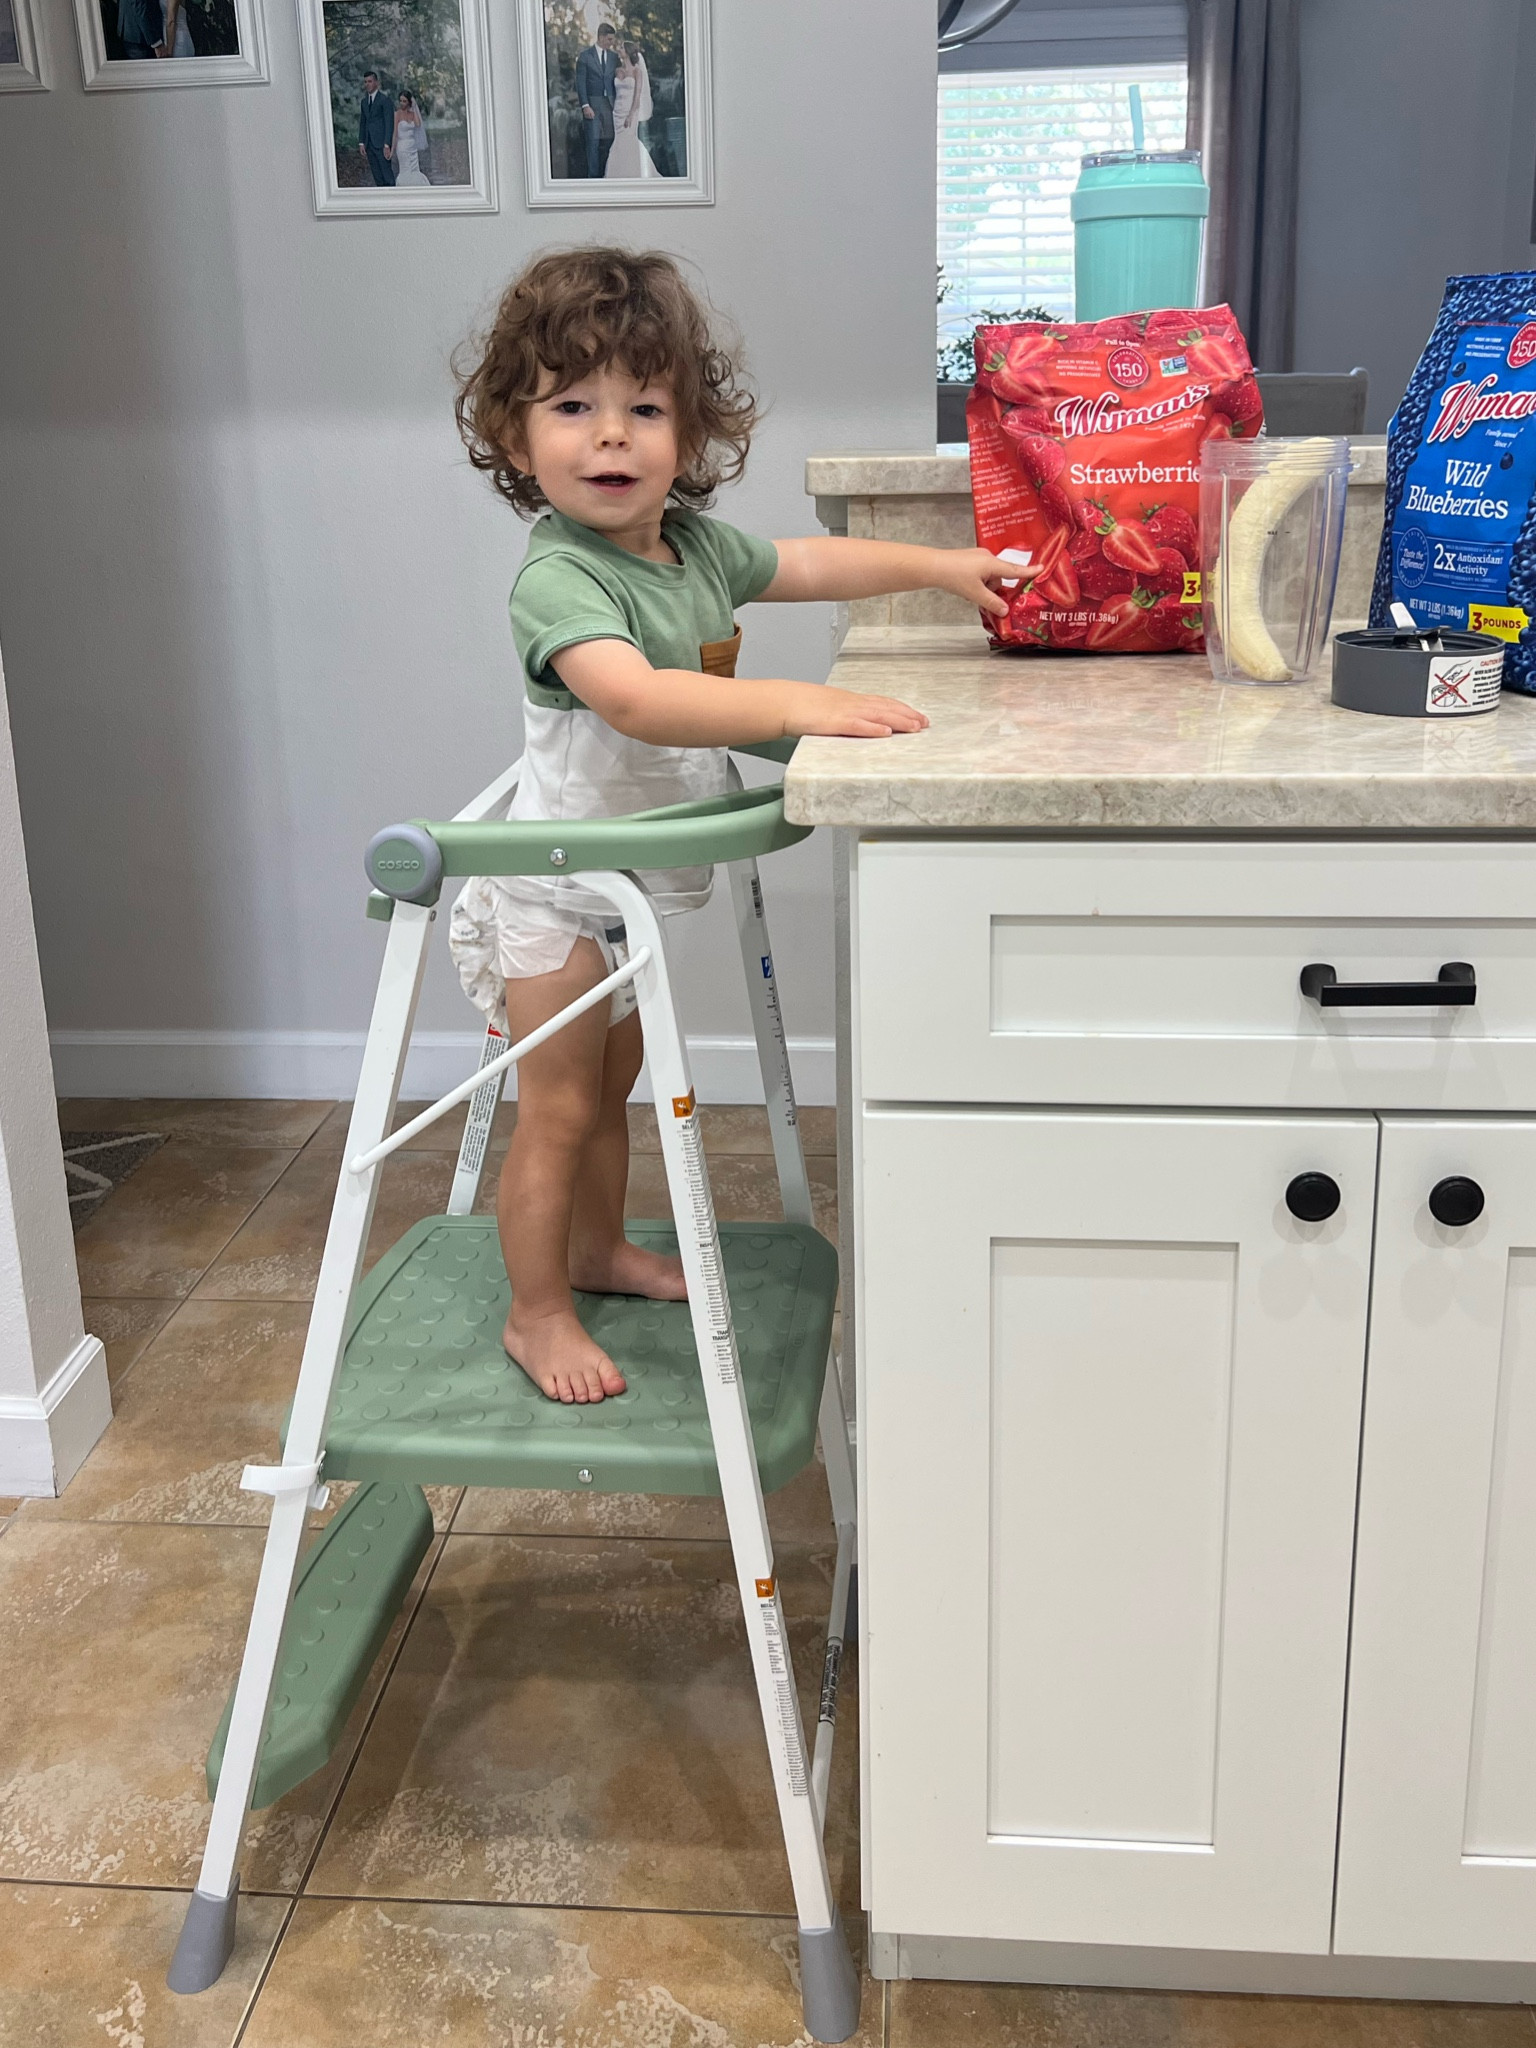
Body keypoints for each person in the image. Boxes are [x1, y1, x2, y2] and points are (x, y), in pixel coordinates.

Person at [449, 248, 1021, 1406]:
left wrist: (942, 565)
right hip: (556, 892)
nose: (612, 436)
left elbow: (808, 560)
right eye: (573, 406)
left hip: (634, 892)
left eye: (644, 407)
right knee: (557, 1108)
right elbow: (634, 696)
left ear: (688, 434)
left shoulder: (694, 548)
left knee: (610, 1091)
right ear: (516, 441)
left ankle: (599, 1251)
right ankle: (536, 1308)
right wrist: (798, 706)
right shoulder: (559, 578)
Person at [604, 40, 654, 180]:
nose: (619, 49)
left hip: (630, 111)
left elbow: (637, 96)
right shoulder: (617, 71)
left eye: (621, 47)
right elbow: (613, 92)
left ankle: (632, 173)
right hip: (617, 112)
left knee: (629, 140)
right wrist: (614, 107)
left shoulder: (637, 72)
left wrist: (631, 115)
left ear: (628, 52)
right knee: (619, 141)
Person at [573, 21, 617, 178]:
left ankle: (607, 177)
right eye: (610, 39)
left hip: (610, 105)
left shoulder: (614, 57)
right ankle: (593, 180)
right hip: (592, 104)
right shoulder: (585, 57)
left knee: (609, 143)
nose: (612, 43)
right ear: (601, 37)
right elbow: (581, 83)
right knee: (592, 143)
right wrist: (585, 105)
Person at [358, 69, 396, 187]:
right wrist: (361, 142)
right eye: (365, 82)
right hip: (369, 144)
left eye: (370, 81)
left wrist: (387, 144)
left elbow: (389, 123)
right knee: (377, 177)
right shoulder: (364, 102)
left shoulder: (384, 101)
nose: (367, 84)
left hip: (381, 144)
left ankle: (393, 200)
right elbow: (363, 122)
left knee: (387, 176)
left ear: (376, 83)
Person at [391, 90, 430, 186]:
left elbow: (418, 124)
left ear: (409, 102)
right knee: (405, 169)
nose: (402, 103)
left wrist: (414, 108)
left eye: (404, 101)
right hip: (402, 146)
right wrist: (392, 150)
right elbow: (395, 133)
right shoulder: (397, 114)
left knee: (414, 169)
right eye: (401, 101)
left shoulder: (413, 114)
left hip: (412, 147)